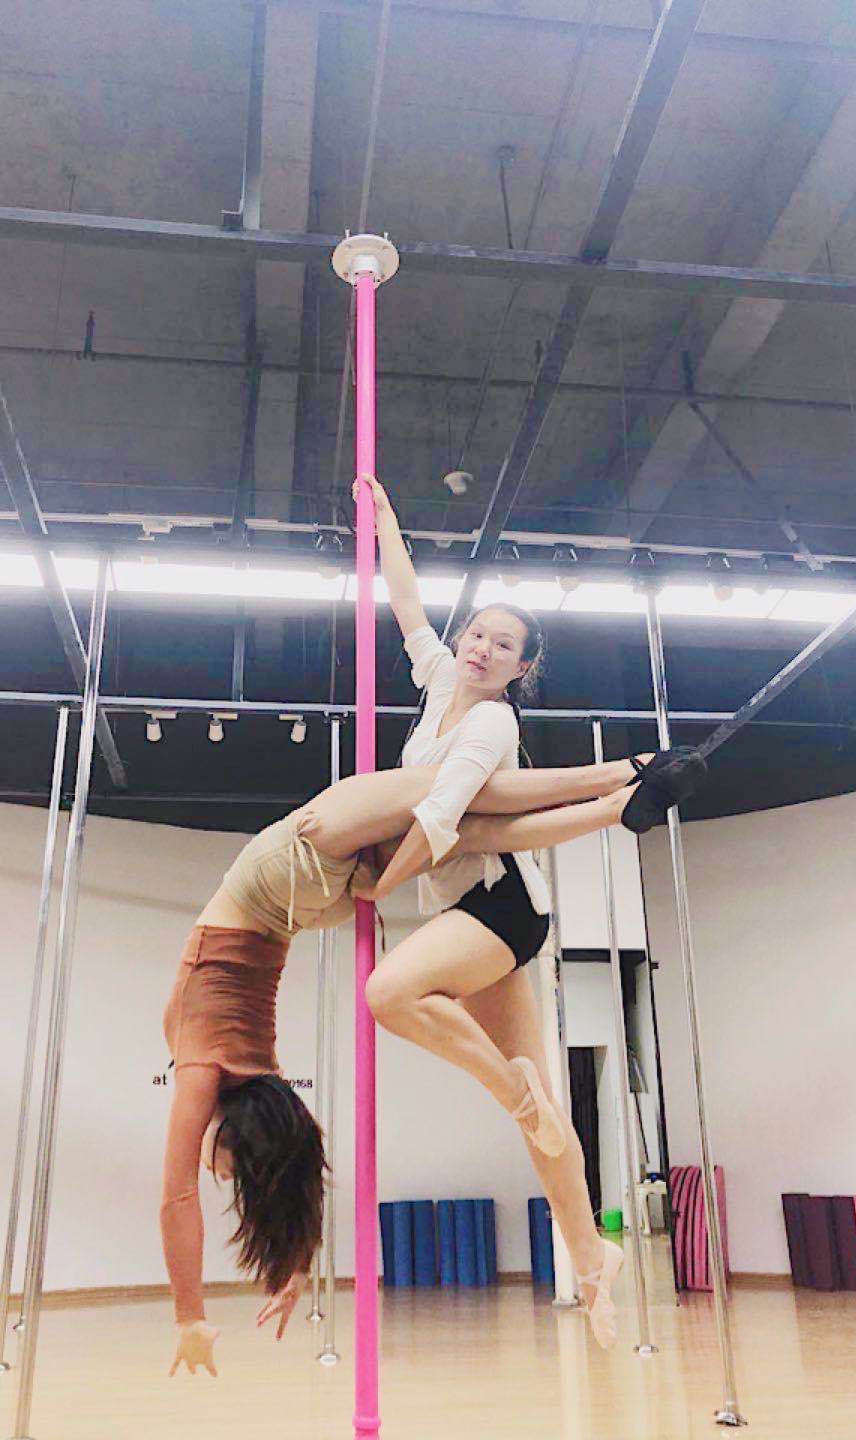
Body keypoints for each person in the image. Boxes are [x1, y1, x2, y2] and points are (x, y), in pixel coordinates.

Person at [162, 742, 705, 1376]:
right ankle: (620, 792)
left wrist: (191, 1315)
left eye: (220, 1167)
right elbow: (263, 1174)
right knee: (465, 811)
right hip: (296, 873)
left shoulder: (223, 1074)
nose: (213, 1170)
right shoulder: (236, 1076)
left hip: (302, 874)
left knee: (463, 799)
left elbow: (187, 1196)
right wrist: (289, 1269)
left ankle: (623, 784)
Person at [355, 473, 706, 1349]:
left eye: (501, 645)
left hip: (499, 906)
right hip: (475, 895)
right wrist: (385, 522)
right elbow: (405, 605)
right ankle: (593, 1258)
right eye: (477, 633)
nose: (480, 648)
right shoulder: (440, 680)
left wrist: (375, 887)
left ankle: (617, 795)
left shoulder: (491, 726)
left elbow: (444, 825)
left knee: (390, 994)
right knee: (546, 1111)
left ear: (522, 668)